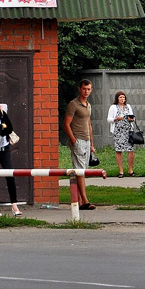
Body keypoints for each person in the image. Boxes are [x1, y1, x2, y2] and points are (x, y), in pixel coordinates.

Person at [63, 79, 96, 210]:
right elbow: (66, 124)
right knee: (80, 171)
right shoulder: (73, 104)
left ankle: (79, 200)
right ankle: (85, 201)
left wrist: (92, 144)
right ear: (79, 89)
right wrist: (74, 141)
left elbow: (89, 124)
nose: (86, 91)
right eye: (84, 89)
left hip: (87, 140)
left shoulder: (88, 105)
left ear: (91, 90)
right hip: (78, 140)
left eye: (88, 89)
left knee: (82, 171)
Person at [107, 91, 137, 178]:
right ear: (117, 98)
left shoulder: (128, 106)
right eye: (120, 97)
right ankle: (121, 171)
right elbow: (109, 119)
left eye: (123, 97)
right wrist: (116, 119)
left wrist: (131, 119)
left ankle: (130, 170)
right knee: (118, 150)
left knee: (130, 150)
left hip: (128, 131)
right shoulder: (113, 107)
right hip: (118, 131)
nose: (122, 99)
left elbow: (132, 117)